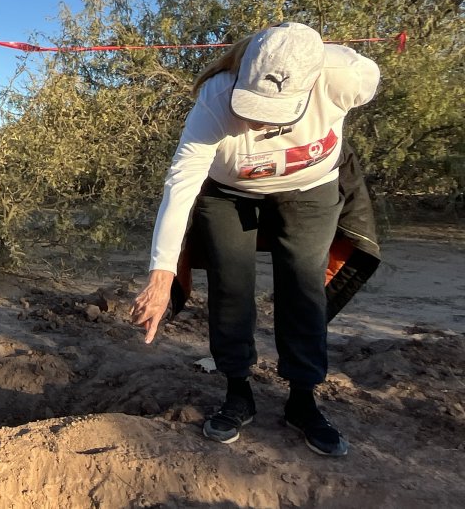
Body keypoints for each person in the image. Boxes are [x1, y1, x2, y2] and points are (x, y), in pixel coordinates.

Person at [130, 22, 380, 457]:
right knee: (230, 285)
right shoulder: (216, 99)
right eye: (253, 103)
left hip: (312, 187)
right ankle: (237, 392)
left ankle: (303, 400)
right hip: (229, 194)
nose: (257, 118)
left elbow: (358, 76)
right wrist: (160, 274)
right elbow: (182, 183)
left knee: (303, 286)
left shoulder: (345, 75)